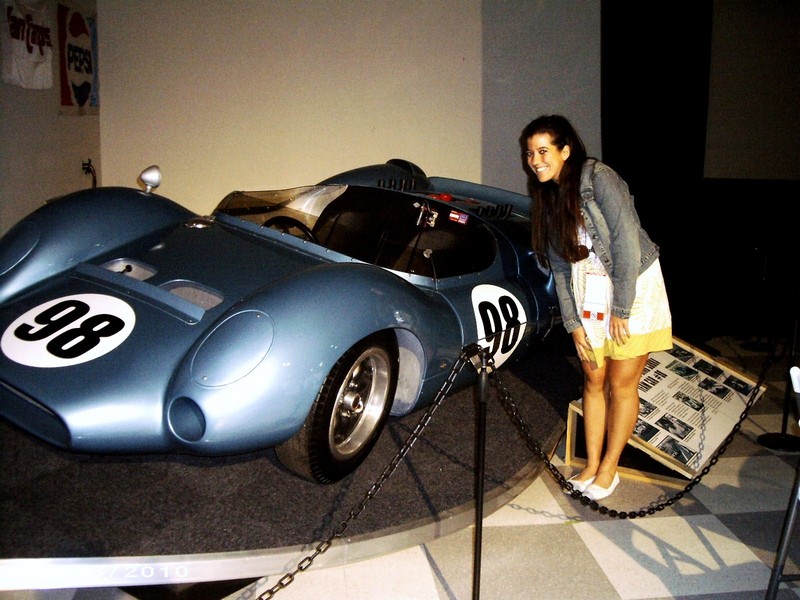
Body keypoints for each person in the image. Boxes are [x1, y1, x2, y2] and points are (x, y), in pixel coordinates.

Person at [521, 115, 672, 501]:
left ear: (565, 150)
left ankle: (609, 469)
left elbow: (625, 242)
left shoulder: (597, 177)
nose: (535, 161)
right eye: (530, 154)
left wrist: (622, 308)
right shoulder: (548, 196)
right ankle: (590, 464)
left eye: (543, 151)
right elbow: (558, 266)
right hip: (587, 290)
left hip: (631, 286)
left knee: (622, 385)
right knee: (592, 379)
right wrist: (572, 323)